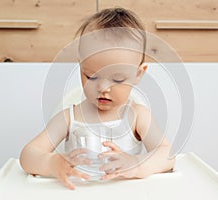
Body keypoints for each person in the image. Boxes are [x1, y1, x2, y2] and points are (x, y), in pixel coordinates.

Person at [20, 7, 175, 190]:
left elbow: (167, 155)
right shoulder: (69, 118)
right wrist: (52, 163)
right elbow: (28, 155)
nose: (102, 88)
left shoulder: (138, 116)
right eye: (91, 76)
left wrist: (137, 164)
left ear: (138, 74)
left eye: (117, 79)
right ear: (80, 67)